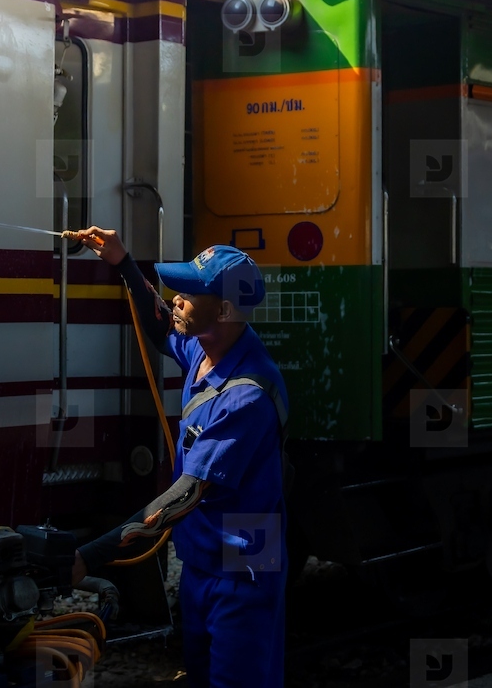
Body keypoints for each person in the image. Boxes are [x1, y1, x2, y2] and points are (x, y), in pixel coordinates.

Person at [69, 227, 289, 688]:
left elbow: (186, 496)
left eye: (190, 291)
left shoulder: (247, 395)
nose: (177, 298)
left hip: (244, 568)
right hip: (203, 563)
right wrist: (122, 260)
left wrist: (90, 555)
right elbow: (158, 325)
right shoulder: (205, 350)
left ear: (225, 309)